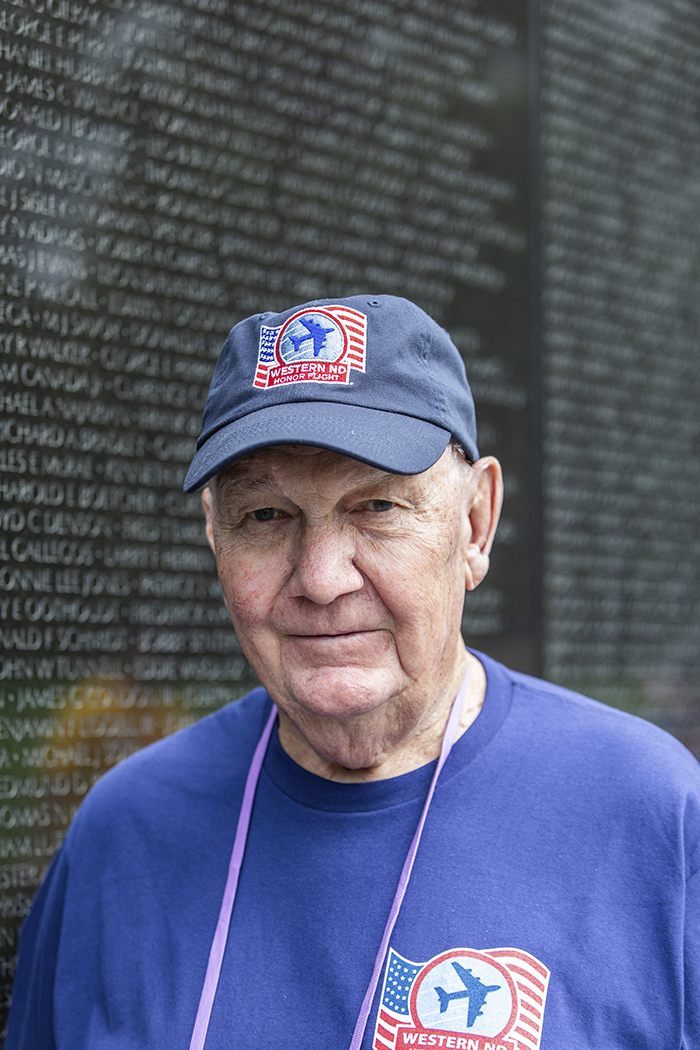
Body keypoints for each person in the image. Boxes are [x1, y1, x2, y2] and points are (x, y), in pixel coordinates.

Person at [6, 295, 700, 1050]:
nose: (321, 578)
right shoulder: (123, 832)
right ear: (214, 535)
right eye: (265, 516)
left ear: (475, 524)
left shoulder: (652, 816)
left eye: (377, 506)